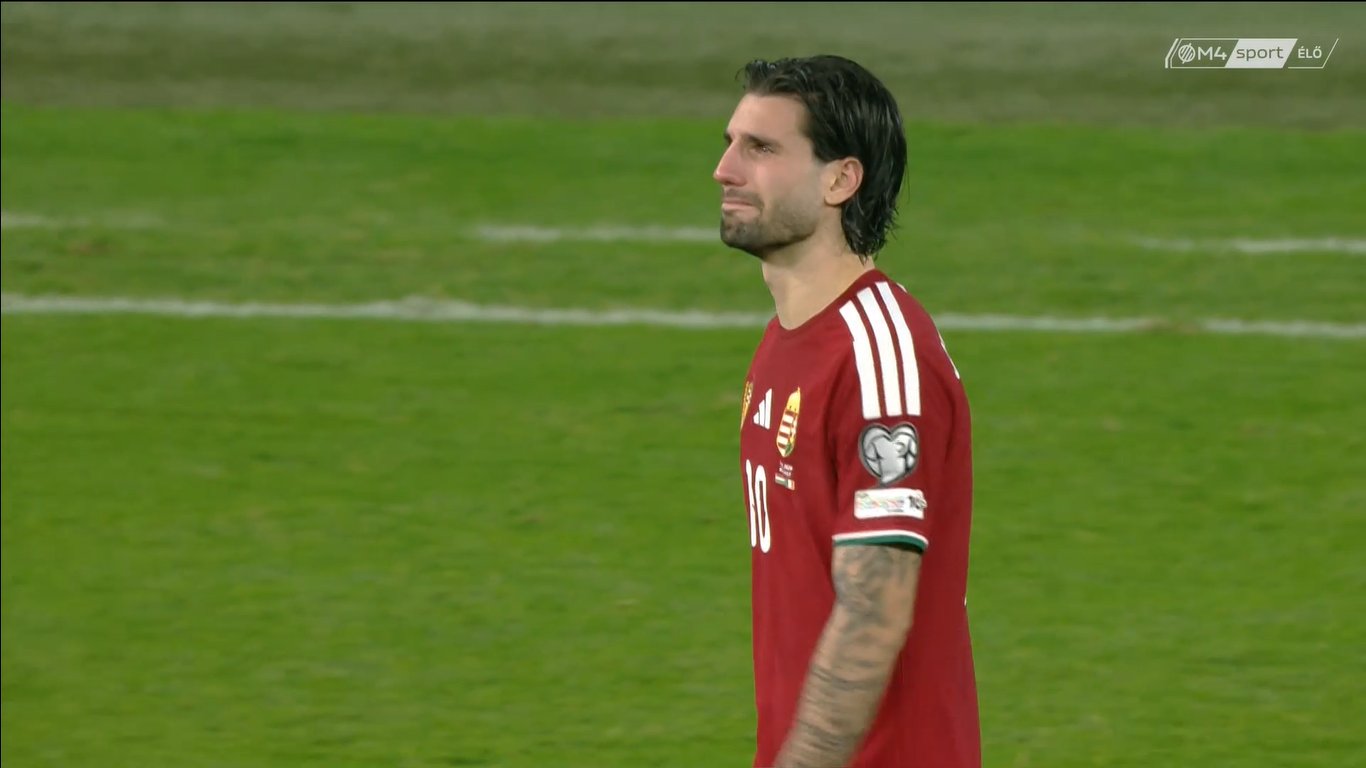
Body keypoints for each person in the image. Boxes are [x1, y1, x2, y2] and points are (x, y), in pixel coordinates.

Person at [716, 55, 980, 768]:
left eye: (761, 148)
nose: (725, 169)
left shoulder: (876, 356)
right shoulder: (787, 341)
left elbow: (874, 606)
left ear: (840, 180)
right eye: (731, 143)